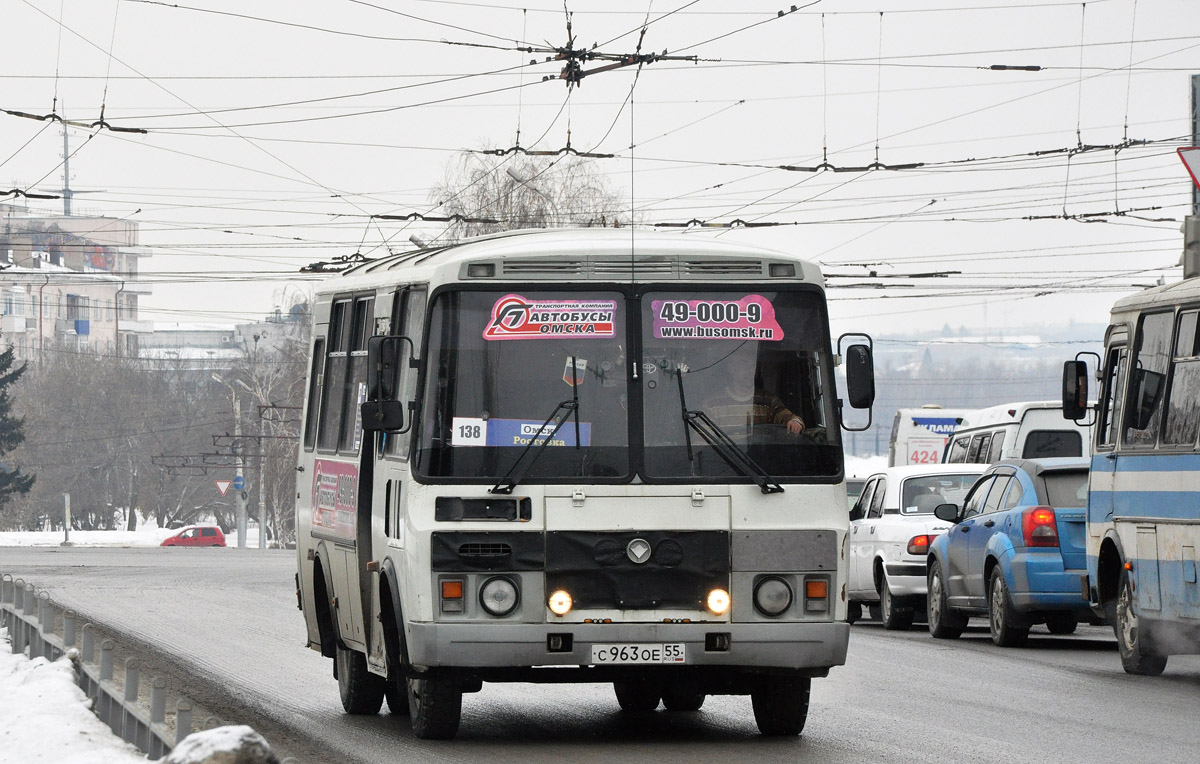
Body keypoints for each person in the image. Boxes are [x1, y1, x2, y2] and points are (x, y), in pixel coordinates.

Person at [701, 357, 804, 435]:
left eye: (752, 365)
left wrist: (794, 421)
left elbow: (785, 415)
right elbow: (701, 441)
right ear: (731, 369)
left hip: (759, 461)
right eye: (744, 364)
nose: (750, 370)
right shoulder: (712, 404)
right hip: (724, 461)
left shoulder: (768, 400)